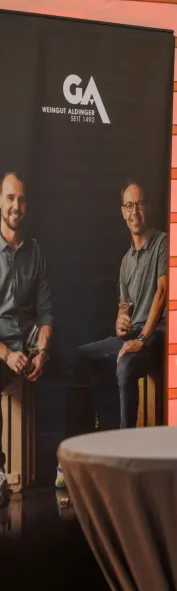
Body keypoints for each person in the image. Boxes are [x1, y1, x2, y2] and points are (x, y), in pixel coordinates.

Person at [74, 180, 168, 429]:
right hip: (134, 335)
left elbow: (162, 292)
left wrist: (143, 338)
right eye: (129, 206)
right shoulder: (126, 261)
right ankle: (87, 440)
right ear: (122, 212)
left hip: (156, 334)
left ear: (147, 206)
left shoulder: (163, 243)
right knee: (80, 357)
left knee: (125, 365)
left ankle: (126, 443)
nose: (134, 212)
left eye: (139, 204)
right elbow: (123, 311)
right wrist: (120, 324)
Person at [0, 172, 54, 471]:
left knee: (78, 365)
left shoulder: (36, 252)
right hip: (1, 347)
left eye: (21, 199)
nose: (15, 206)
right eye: (10, 198)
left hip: (29, 343)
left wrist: (42, 352)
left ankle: (66, 466)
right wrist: (7, 355)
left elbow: (46, 312)